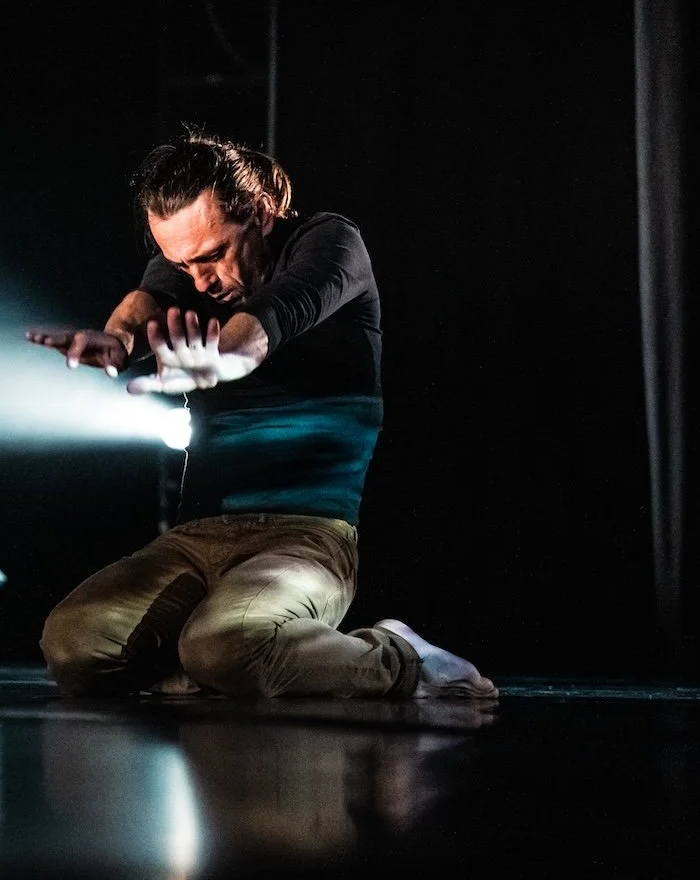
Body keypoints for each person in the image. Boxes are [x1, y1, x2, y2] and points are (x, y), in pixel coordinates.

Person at [26, 131, 496, 700]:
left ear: (259, 213)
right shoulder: (189, 268)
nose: (200, 280)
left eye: (212, 256)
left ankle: (400, 657)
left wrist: (222, 359)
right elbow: (146, 298)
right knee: (75, 644)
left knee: (227, 644)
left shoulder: (329, 244)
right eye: (182, 262)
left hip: (308, 537)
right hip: (196, 537)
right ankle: (227, 668)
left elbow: (271, 319)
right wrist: (117, 339)